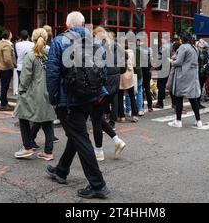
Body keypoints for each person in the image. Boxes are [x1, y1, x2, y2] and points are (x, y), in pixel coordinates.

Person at [46, 11, 110, 199]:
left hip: (69, 100)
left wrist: (53, 97)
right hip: (91, 97)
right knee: (77, 133)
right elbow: (103, 70)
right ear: (83, 24)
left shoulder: (59, 42)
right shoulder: (97, 42)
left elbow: (52, 73)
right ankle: (61, 170)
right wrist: (98, 92)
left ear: (67, 26)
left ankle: (98, 184)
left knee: (80, 137)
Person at [14, 28, 57, 161]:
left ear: (33, 38)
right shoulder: (53, 54)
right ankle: (48, 152)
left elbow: (25, 77)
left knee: (23, 117)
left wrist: (21, 90)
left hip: (33, 93)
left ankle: (27, 147)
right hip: (49, 91)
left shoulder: (31, 55)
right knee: (47, 122)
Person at [92, 27, 126, 161]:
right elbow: (122, 67)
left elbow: (96, 69)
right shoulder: (116, 47)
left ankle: (99, 151)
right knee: (98, 117)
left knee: (96, 119)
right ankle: (117, 140)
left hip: (103, 87)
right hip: (114, 84)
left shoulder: (99, 48)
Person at [168, 32, 202, 128]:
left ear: (182, 39)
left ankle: (178, 121)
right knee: (193, 98)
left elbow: (178, 62)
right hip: (193, 75)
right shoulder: (194, 48)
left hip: (183, 75)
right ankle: (198, 121)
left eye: (179, 38)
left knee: (179, 97)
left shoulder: (183, 47)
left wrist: (171, 61)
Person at [118, 40, 139, 123]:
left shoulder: (119, 53)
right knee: (132, 96)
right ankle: (134, 115)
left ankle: (122, 116)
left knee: (120, 96)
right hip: (130, 75)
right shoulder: (131, 53)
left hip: (122, 75)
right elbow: (133, 64)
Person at [0, 30, 16, 111]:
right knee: (5, 87)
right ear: (8, 36)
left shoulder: (0, 43)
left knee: (4, 86)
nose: (12, 34)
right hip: (6, 69)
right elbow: (7, 59)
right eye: (11, 34)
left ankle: (4, 102)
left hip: (1, 68)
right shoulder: (6, 45)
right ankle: (3, 105)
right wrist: (12, 67)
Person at [125, 38, 144, 117]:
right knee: (139, 91)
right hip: (139, 73)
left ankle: (129, 110)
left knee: (129, 93)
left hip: (131, 73)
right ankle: (140, 109)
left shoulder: (127, 52)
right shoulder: (139, 50)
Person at [154, 38, 171, 109]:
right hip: (169, 68)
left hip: (162, 69)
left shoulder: (163, 47)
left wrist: (156, 65)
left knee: (160, 86)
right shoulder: (171, 46)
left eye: (162, 38)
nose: (161, 40)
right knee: (170, 86)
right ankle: (174, 103)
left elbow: (159, 58)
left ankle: (160, 103)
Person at [197, 39, 209, 109]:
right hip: (197, 72)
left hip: (203, 72)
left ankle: (198, 102)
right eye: (200, 42)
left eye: (203, 42)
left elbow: (207, 60)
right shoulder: (196, 51)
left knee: (201, 87)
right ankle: (196, 102)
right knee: (197, 87)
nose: (201, 43)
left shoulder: (205, 52)